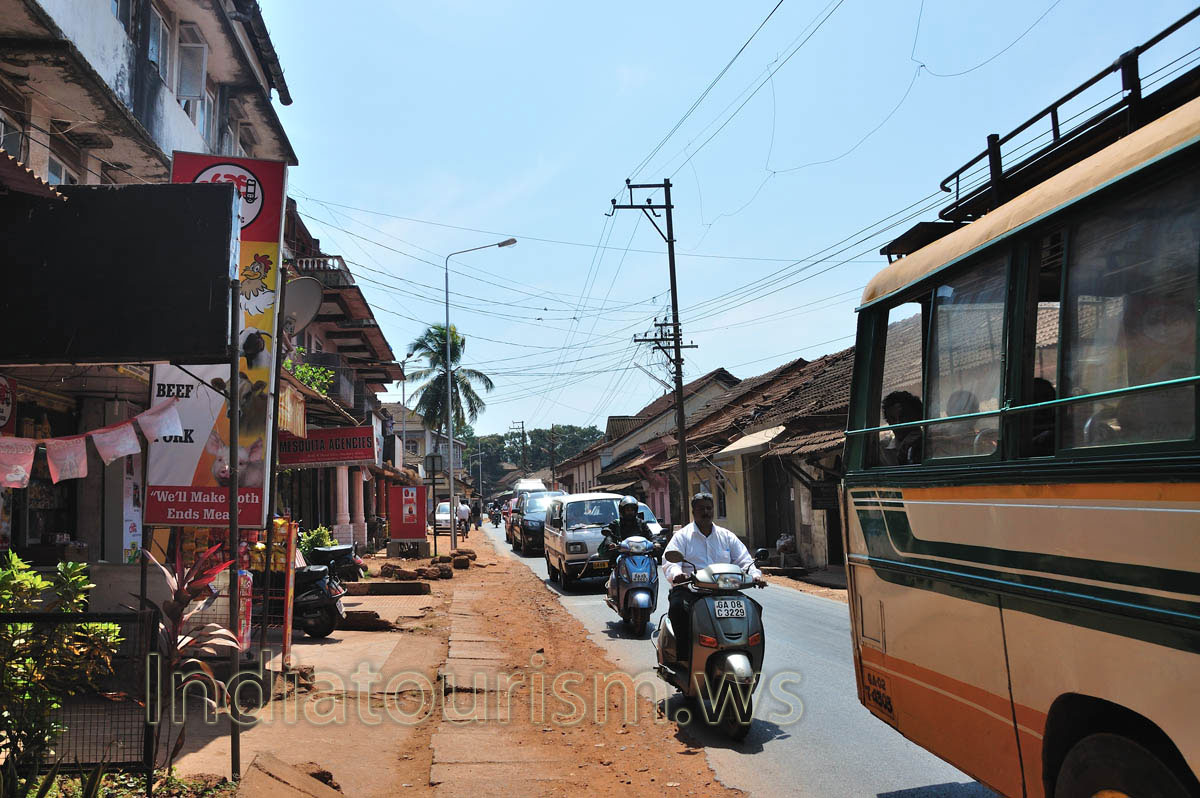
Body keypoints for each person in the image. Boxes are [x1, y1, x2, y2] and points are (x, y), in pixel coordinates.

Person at [662, 493, 765, 664]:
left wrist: (755, 576)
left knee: (754, 609)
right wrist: (677, 574)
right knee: (678, 607)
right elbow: (670, 561)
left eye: (709, 508)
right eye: (701, 508)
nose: (706, 512)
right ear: (693, 511)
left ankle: (748, 653)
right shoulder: (682, 536)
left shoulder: (726, 536)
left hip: (725, 590)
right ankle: (683, 658)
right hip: (692, 590)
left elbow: (744, 561)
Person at [599, 496, 653, 589]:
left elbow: (650, 536)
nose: (630, 512)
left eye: (632, 509)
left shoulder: (641, 523)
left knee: (653, 562)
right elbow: (609, 534)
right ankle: (613, 587)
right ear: (622, 510)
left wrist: (655, 542)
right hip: (623, 554)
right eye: (628, 509)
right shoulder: (616, 523)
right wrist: (610, 543)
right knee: (615, 563)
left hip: (640, 554)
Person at [880, 390, 924, 465]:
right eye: (892, 419)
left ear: (917, 417)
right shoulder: (882, 449)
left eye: (903, 417)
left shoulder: (931, 442)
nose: (898, 423)